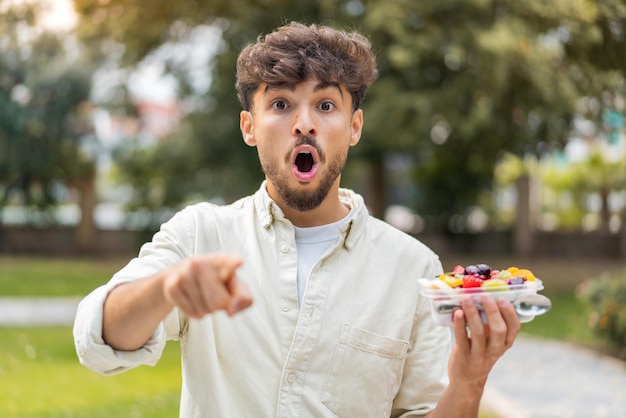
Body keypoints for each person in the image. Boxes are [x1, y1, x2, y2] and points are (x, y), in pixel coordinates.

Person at [73, 21, 520, 417]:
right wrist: (163, 288)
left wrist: (468, 381)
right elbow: (98, 339)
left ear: (354, 126)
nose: (304, 123)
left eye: (325, 106)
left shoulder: (413, 268)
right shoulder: (201, 235)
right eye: (282, 104)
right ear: (249, 127)